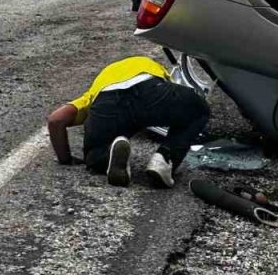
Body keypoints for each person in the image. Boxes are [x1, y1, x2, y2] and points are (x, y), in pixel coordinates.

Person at [46, 56, 210, 188]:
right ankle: (165, 158)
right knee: (198, 110)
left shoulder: (92, 93)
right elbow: (179, 109)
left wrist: (65, 160)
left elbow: (55, 120)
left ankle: (109, 154)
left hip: (107, 101)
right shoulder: (153, 67)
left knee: (94, 156)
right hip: (151, 88)